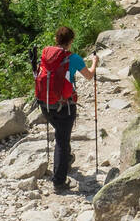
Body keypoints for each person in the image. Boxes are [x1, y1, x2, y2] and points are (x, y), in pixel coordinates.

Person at [34, 26, 98, 192]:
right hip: (65, 106)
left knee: (61, 135)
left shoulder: (46, 53)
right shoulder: (73, 58)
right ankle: (59, 181)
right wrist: (95, 63)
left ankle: (66, 161)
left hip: (45, 104)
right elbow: (89, 76)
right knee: (62, 140)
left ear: (56, 39)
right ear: (71, 41)